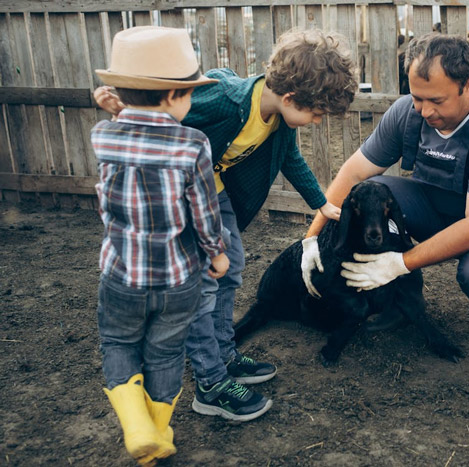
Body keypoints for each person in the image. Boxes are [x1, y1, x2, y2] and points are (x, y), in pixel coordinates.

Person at [95, 28, 358, 421]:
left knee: (231, 268)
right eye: (316, 113)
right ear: (290, 98)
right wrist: (121, 110)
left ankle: (224, 352)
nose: (317, 122)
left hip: (214, 195)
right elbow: (158, 113)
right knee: (201, 286)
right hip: (178, 201)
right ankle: (211, 382)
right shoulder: (222, 99)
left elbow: (291, 161)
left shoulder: (279, 121)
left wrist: (322, 204)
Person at [301, 32, 469, 347]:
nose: (424, 110)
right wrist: (310, 239)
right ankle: (396, 302)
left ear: (468, 86)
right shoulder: (409, 112)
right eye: (418, 97)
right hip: (440, 210)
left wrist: (400, 262)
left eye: (436, 100)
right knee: (372, 195)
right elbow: (354, 172)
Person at [91, 26, 228, 464]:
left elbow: (130, 138)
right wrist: (217, 253)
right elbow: (204, 214)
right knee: (166, 351)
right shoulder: (192, 145)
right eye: (189, 93)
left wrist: (118, 112)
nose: (191, 102)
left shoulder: (104, 136)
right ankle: (159, 432)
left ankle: (137, 430)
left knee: (118, 343)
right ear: (173, 95)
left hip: (120, 276)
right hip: (178, 278)